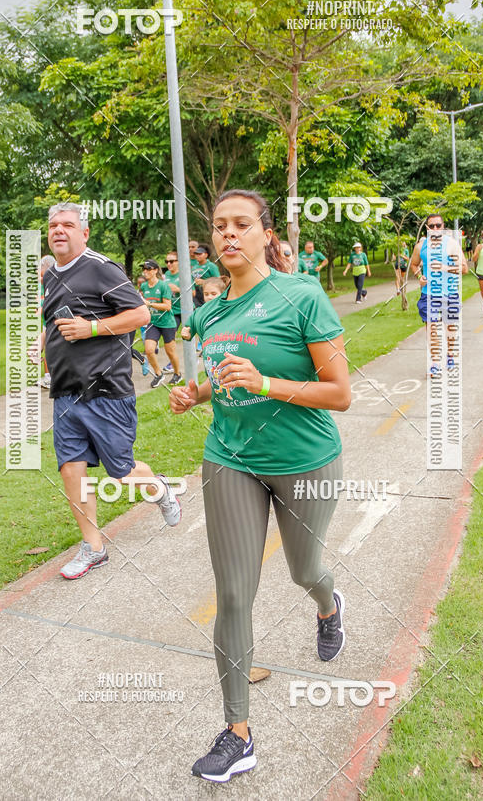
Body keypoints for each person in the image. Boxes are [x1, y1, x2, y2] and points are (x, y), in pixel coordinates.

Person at [169, 189, 351, 784]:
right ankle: (238, 733)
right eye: (218, 226)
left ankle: (328, 606)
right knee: (234, 593)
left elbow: (339, 394)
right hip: (230, 459)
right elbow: (220, 381)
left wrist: (267, 382)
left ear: (265, 234)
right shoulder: (210, 310)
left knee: (305, 571)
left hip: (305, 460)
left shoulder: (302, 295)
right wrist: (190, 393)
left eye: (241, 224)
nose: (227, 235)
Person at [40, 203, 182, 579]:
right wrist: (42, 341)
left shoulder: (101, 268)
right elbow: (55, 321)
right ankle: (94, 547)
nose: (59, 230)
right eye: (53, 225)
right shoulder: (52, 274)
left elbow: (140, 315)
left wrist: (91, 329)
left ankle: (159, 487)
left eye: (67, 225)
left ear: (83, 233)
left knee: (121, 472)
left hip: (105, 390)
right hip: (66, 391)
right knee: (71, 469)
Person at [409, 213, 468, 376]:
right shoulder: (421, 246)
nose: (435, 229)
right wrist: (419, 276)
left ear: (443, 227)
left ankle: (450, 356)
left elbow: (464, 269)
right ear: (427, 228)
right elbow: (414, 265)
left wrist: (443, 267)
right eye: (432, 226)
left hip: (449, 294)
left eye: (438, 225)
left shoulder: (452, 245)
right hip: (429, 295)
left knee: (450, 330)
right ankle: (435, 363)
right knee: (432, 329)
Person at [139, 260, 182, 388]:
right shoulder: (144, 286)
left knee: (170, 352)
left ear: (155, 271)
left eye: (148, 269)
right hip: (153, 323)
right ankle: (159, 374)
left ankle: (177, 373)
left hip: (167, 323)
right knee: (149, 350)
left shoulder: (163, 286)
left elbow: (168, 306)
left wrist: (150, 304)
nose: (145, 271)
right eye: (144, 269)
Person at [181, 276, 230, 342]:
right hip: (207, 350)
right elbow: (189, 331)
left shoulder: (229, 309)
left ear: (223, 293)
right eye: (206, 294)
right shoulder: (198, 312)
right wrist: (186, 333)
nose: (209, 297)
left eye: (213, 294)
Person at [37, 254, 55, 389]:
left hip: (52, 323)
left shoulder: (54, 284)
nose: (39, 278)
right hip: (46, 323)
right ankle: (49, 377)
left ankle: (51, 378)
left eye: (42, 275)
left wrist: (41, 308)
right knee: (47, 349)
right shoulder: (43, 285)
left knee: (50, 349)